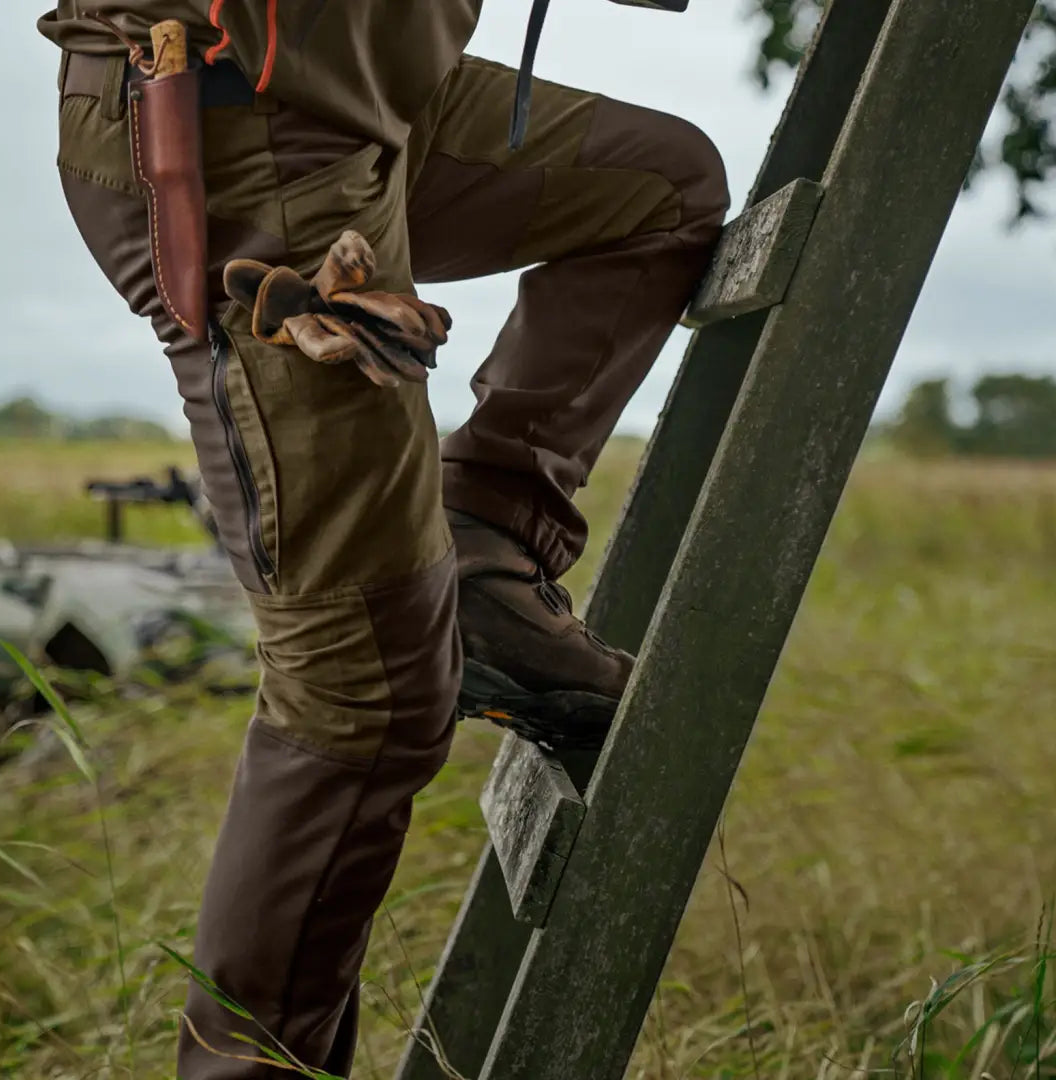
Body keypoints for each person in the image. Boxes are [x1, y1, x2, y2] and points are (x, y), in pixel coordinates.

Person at [38, 3, 730, 1075]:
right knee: (358, 697)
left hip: (367, 87)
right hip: (240, 120)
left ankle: (489, 546)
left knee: (659, 186)